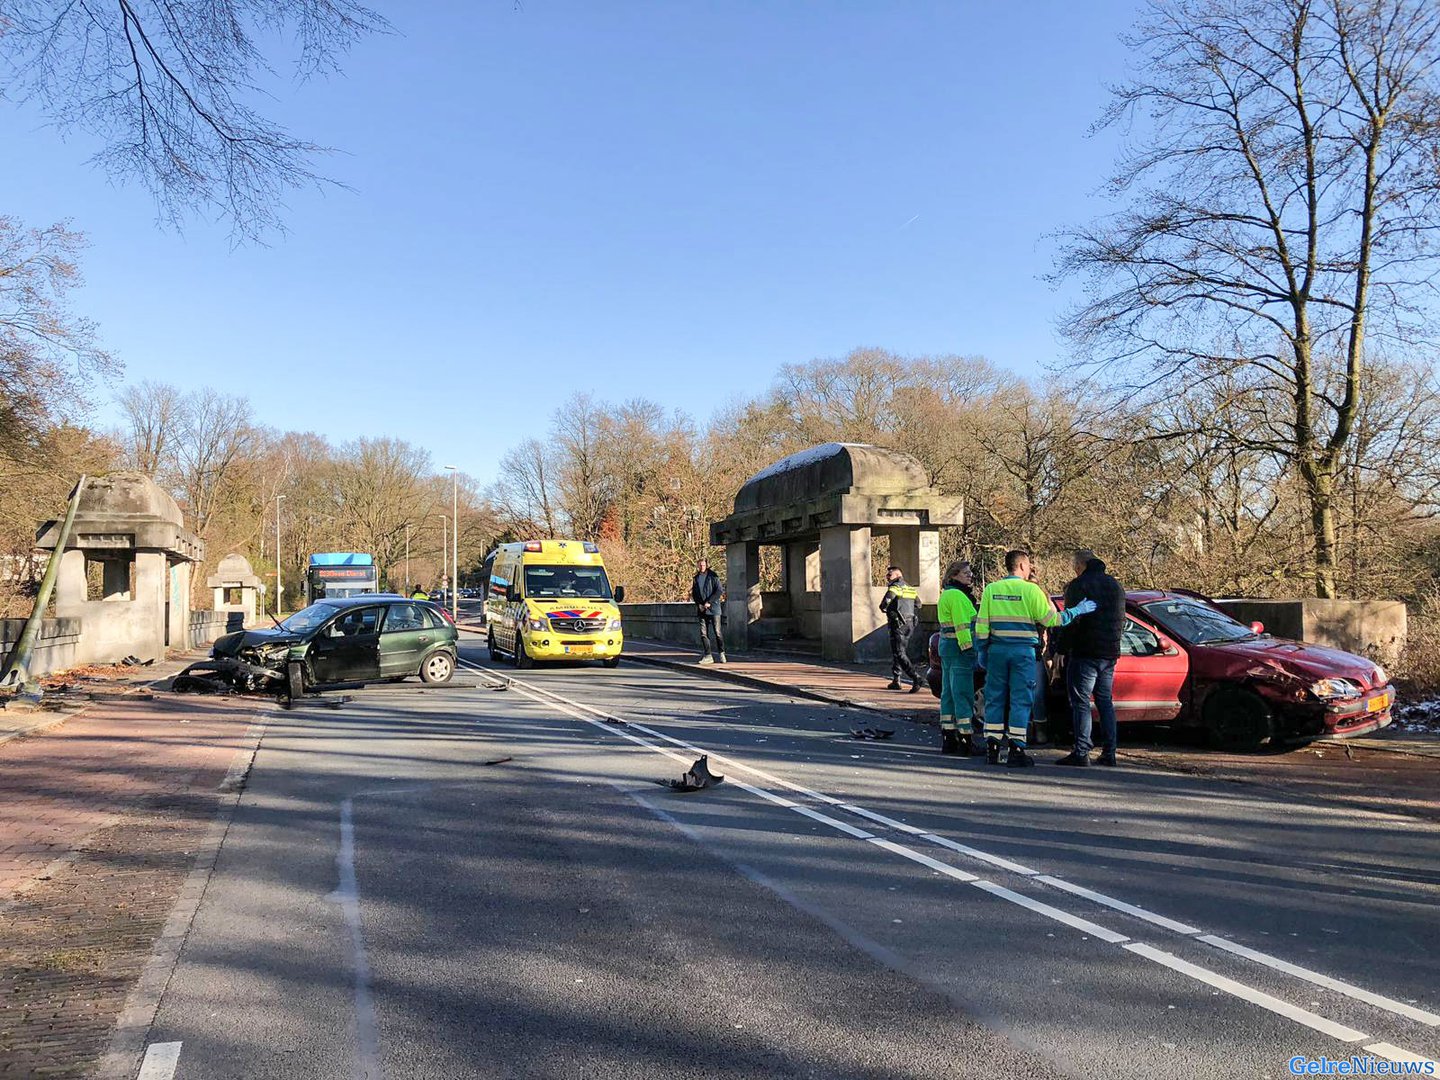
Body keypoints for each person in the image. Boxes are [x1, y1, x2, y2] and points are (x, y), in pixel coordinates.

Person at [974, 549, 1096, 768]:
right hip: (1023, 653)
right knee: (1021, 700)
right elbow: (1051, 620)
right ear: (1021, 566)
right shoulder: (1031, 591)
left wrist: (982, 650)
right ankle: (1016, 749)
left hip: (997, 651)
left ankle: (992, 748)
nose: (1030, 568)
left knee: (994, 699)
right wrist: (1077, 610)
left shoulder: (991, 590)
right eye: (1029, 565)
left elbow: (982, 626)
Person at [1056, 549, 1126, 767]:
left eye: (1075, 567)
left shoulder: (1079, 585)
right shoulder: (1115, 585)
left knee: (1081, 702)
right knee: (1105, 701)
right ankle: (1110, 751)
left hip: (1085, 651)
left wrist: (1061, 649)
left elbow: (1072, 621)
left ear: (1080, 566)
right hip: (1109, 652)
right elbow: (1121, 619)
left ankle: (1081, 750)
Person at [936, 560, 983, 754]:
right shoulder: (958, 596)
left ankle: (949, 738)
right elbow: (963, 626)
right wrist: (970, 650)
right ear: (954, 575)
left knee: (948, 693)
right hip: (960, 650)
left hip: (947, 648)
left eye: (970, 572)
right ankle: (965, 740)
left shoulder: (947, 593)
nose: (970, 575)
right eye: (966, 573)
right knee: (962, 693)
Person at [879, 565, 921, 693]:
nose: (887, 577)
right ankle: (896, 680)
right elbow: (918, 604)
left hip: (898, 623)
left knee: (899, 653)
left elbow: (884, 604)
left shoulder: (895, 587)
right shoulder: (910, 588)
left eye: (889, 575)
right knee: (900, 651)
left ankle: (916, 677)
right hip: (910, 624)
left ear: (897, 575)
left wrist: (888, 609)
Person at [691, 557, 726, 664]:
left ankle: (721, 652)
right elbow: (694, 593)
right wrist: (699, 604)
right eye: (700, 565)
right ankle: (708, 655)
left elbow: (719, 590)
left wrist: (709, 602)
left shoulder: (713, 576)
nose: (702, 567)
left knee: (717, 632)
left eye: (703, 565)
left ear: (707, 565)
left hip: (714, 608)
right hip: (702, 610)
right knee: (703, 633)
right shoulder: (696, 578)